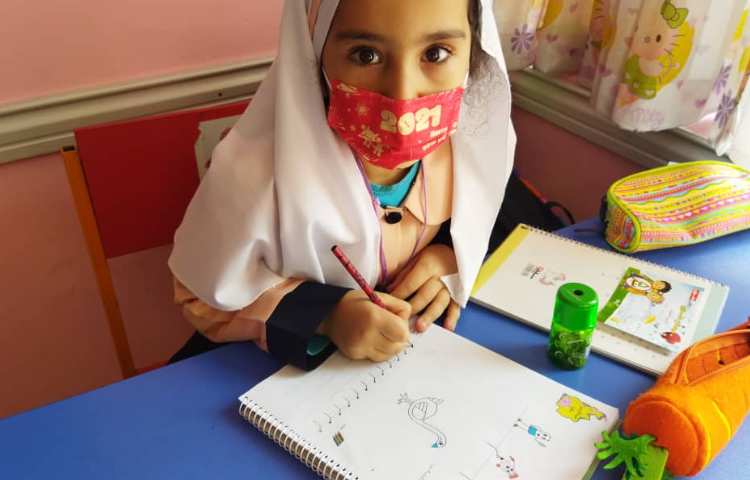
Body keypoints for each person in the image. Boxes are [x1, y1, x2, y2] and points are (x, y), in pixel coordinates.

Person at [167, 0, 516, 370]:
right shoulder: (253, 178)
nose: (402, 94)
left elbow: (494, 220)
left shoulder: (468, 151)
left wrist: (451, 258)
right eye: (366, 55)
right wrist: (326, 316)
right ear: (315, 52)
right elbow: (199, 298)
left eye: (435, 53)